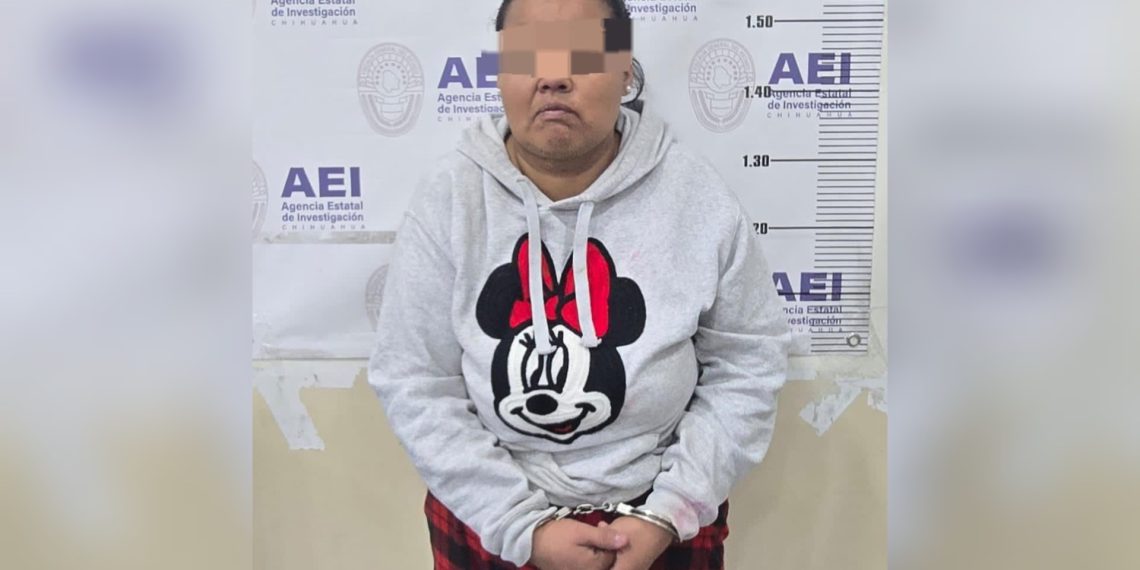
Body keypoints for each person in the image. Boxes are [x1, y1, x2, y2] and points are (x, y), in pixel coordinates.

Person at [368, 0, 791, 568]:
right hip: (492, 515)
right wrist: (520, 526)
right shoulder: (449, 199)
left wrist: (670, 509)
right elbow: (415, 381)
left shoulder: (697, 198)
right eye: (527, 55)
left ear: (625, 71)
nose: (553, 76)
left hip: (661, 517)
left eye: (582, 53)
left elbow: (748, 364)